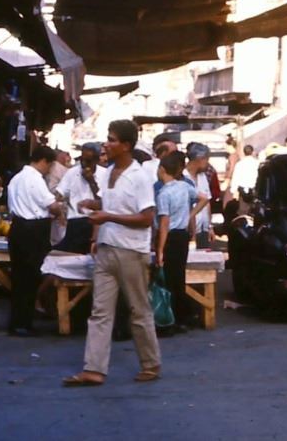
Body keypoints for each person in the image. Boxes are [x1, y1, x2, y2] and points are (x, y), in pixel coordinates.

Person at [63, 119, 161, 387]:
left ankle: (151, 364)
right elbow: (109, 203)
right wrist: (94, 206)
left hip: (131, 251)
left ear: (126, 145)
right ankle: (94, 369)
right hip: (106, 247)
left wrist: (108, 216)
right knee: (100, 312)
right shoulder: (106, 174)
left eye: (113, 139)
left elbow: (146, 218)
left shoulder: (140, 177)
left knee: (138, 310)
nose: (107, 143)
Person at [6, 147, 62, 337]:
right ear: (44, 161)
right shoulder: (35, 180)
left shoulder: (16, 179)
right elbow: (51, 205)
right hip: (33, 230)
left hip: (18, 228)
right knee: (29, 278)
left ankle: (18, 320)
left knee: (19, 277)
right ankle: (23, 323)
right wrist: (61, 208)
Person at [155, 152, 202, 331]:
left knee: (168, 280)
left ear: (162, 170)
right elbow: (204, 198)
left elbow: (164, 224)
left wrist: (160, 249)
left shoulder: (163, 194)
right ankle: (184, 316)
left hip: (170, 237)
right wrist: (190, 214)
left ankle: (172, 318)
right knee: (179, 277)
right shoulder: (184, 186)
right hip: (182, 235)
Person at [53, 147, 107, 254]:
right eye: (82, 160)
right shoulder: (72, 173)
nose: (84, 164)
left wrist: (92, 182)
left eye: (88, 161)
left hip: (96, 222)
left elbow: (103, 202)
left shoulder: (104, 174)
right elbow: (60, 194)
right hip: (76, 221)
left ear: (96, 160)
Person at [182, 144, 216, 248]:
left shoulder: (202, 176)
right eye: (206, 160)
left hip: (203, 229)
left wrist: (210, 227)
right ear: (199, 159)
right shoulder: (182, 177)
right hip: (188, 230)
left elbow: (207, 203)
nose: (208, 164)